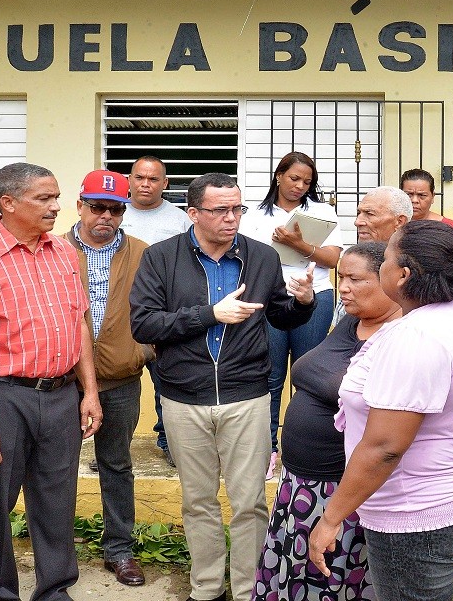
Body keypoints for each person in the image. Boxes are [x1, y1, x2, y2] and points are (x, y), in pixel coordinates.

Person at [130, 172, 315, 601]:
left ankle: (250, 589)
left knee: (250, 502)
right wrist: (210, 314)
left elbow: (280, 315)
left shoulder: (262, 257)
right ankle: (207, 588)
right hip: (182, 398)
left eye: (237, 209)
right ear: (193, 213)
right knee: (198, 502)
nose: (231, 219)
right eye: (219, 210)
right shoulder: (160, 258)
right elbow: (143, 323)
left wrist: (302, 302)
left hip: (247, 395)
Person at [309, 220, 453, 601]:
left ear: (404, 275)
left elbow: (385, 447)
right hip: (449, 492)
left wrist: (330, 519)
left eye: (387, 257)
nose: (382, 264)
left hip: (415, 513)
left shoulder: (418, 338)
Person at [0, 163, 102, 601]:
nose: (56, 207)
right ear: (8, 203)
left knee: (56, 501)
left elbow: (80, 325)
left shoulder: (65, 252)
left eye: (56, 198)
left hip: (60, 396)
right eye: (44, 199)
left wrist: (89, 391)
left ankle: (54, 591)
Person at [253, 242, 400, 601]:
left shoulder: (399, 339)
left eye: (355, 279)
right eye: (341, 277)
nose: (343, 287)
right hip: (299, 485)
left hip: (340, 493)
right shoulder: (352, 319)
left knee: (331, 581)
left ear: (391, 282)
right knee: (293, 578)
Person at [64, 170, 152, 587]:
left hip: (119, 380)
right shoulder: (53, 251)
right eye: (97, 207)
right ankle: (57, 551)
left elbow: (161, 311)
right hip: (61, 382)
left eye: (116, 209)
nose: (106, 216)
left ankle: (119, 550)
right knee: (54, 467)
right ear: (80, 205)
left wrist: (142, 352)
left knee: (115, 464)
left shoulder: (142, 253)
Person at [240, 152, 342, 474]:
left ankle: (299, 451)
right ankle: (268, 450)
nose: (300, 186)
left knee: (307, 376)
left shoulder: (322, 212)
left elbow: (333, 260)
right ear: (278, 176)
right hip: (268, 300)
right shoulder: (254, 214)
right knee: (269, 375)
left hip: (314, 297)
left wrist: (298, 244)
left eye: (307, 182)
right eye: (294, 178)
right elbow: (243, 257)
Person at [122, 156, 191, 468]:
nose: (145, 184)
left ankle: (170, 443)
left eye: (153, 179)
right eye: (139, 177)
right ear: (130, 180)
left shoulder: (181, 221)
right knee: (118, 385)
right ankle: (113, 448)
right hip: (119, 313)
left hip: (165, 314)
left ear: (165, 183)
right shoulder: (114, 214)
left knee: (169, 381)